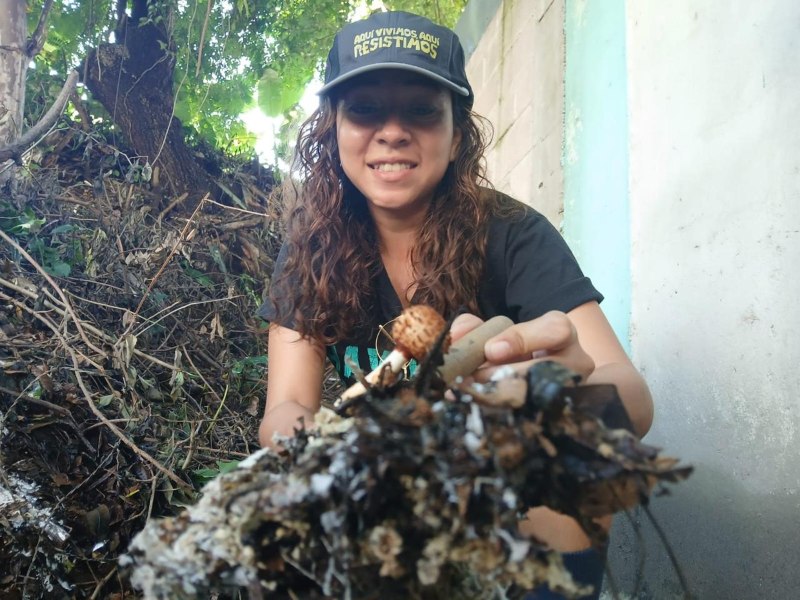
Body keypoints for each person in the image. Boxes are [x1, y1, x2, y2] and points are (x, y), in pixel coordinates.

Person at [258, 10, 653, 599]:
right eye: (364, 109)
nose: (392, 132)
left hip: (509, 506)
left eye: (422, 110)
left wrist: (561, 400)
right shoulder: (310, 252)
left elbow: (633, 398)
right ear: (333, 128)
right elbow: (286, 406)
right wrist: (329, 450)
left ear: (457, 134)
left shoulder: (513, 233)